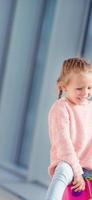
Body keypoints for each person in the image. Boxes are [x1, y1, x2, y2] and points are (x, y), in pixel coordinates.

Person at [45, 57, 92, 200]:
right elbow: (64, 144)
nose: (85, 93)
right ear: (63, 87)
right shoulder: (61, 107)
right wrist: (77, 171)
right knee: (64, 169)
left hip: (89, 166)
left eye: (89, 88)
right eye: (79, 88)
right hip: (70, 164)